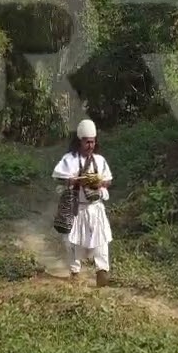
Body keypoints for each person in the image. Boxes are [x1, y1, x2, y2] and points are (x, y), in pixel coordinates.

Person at [52, 118, 113, 287]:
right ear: (80, 142)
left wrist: (98, 183)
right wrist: (71, 180)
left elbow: (108, 181)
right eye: (87, 142)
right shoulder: (69, 159)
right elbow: (57, 177)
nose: (90, 145)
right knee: (73, 242)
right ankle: (75, 272)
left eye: (93, 142)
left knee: (102, 240)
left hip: (95, 208)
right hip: (76, 208)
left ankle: (102, 272)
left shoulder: (100, 161)